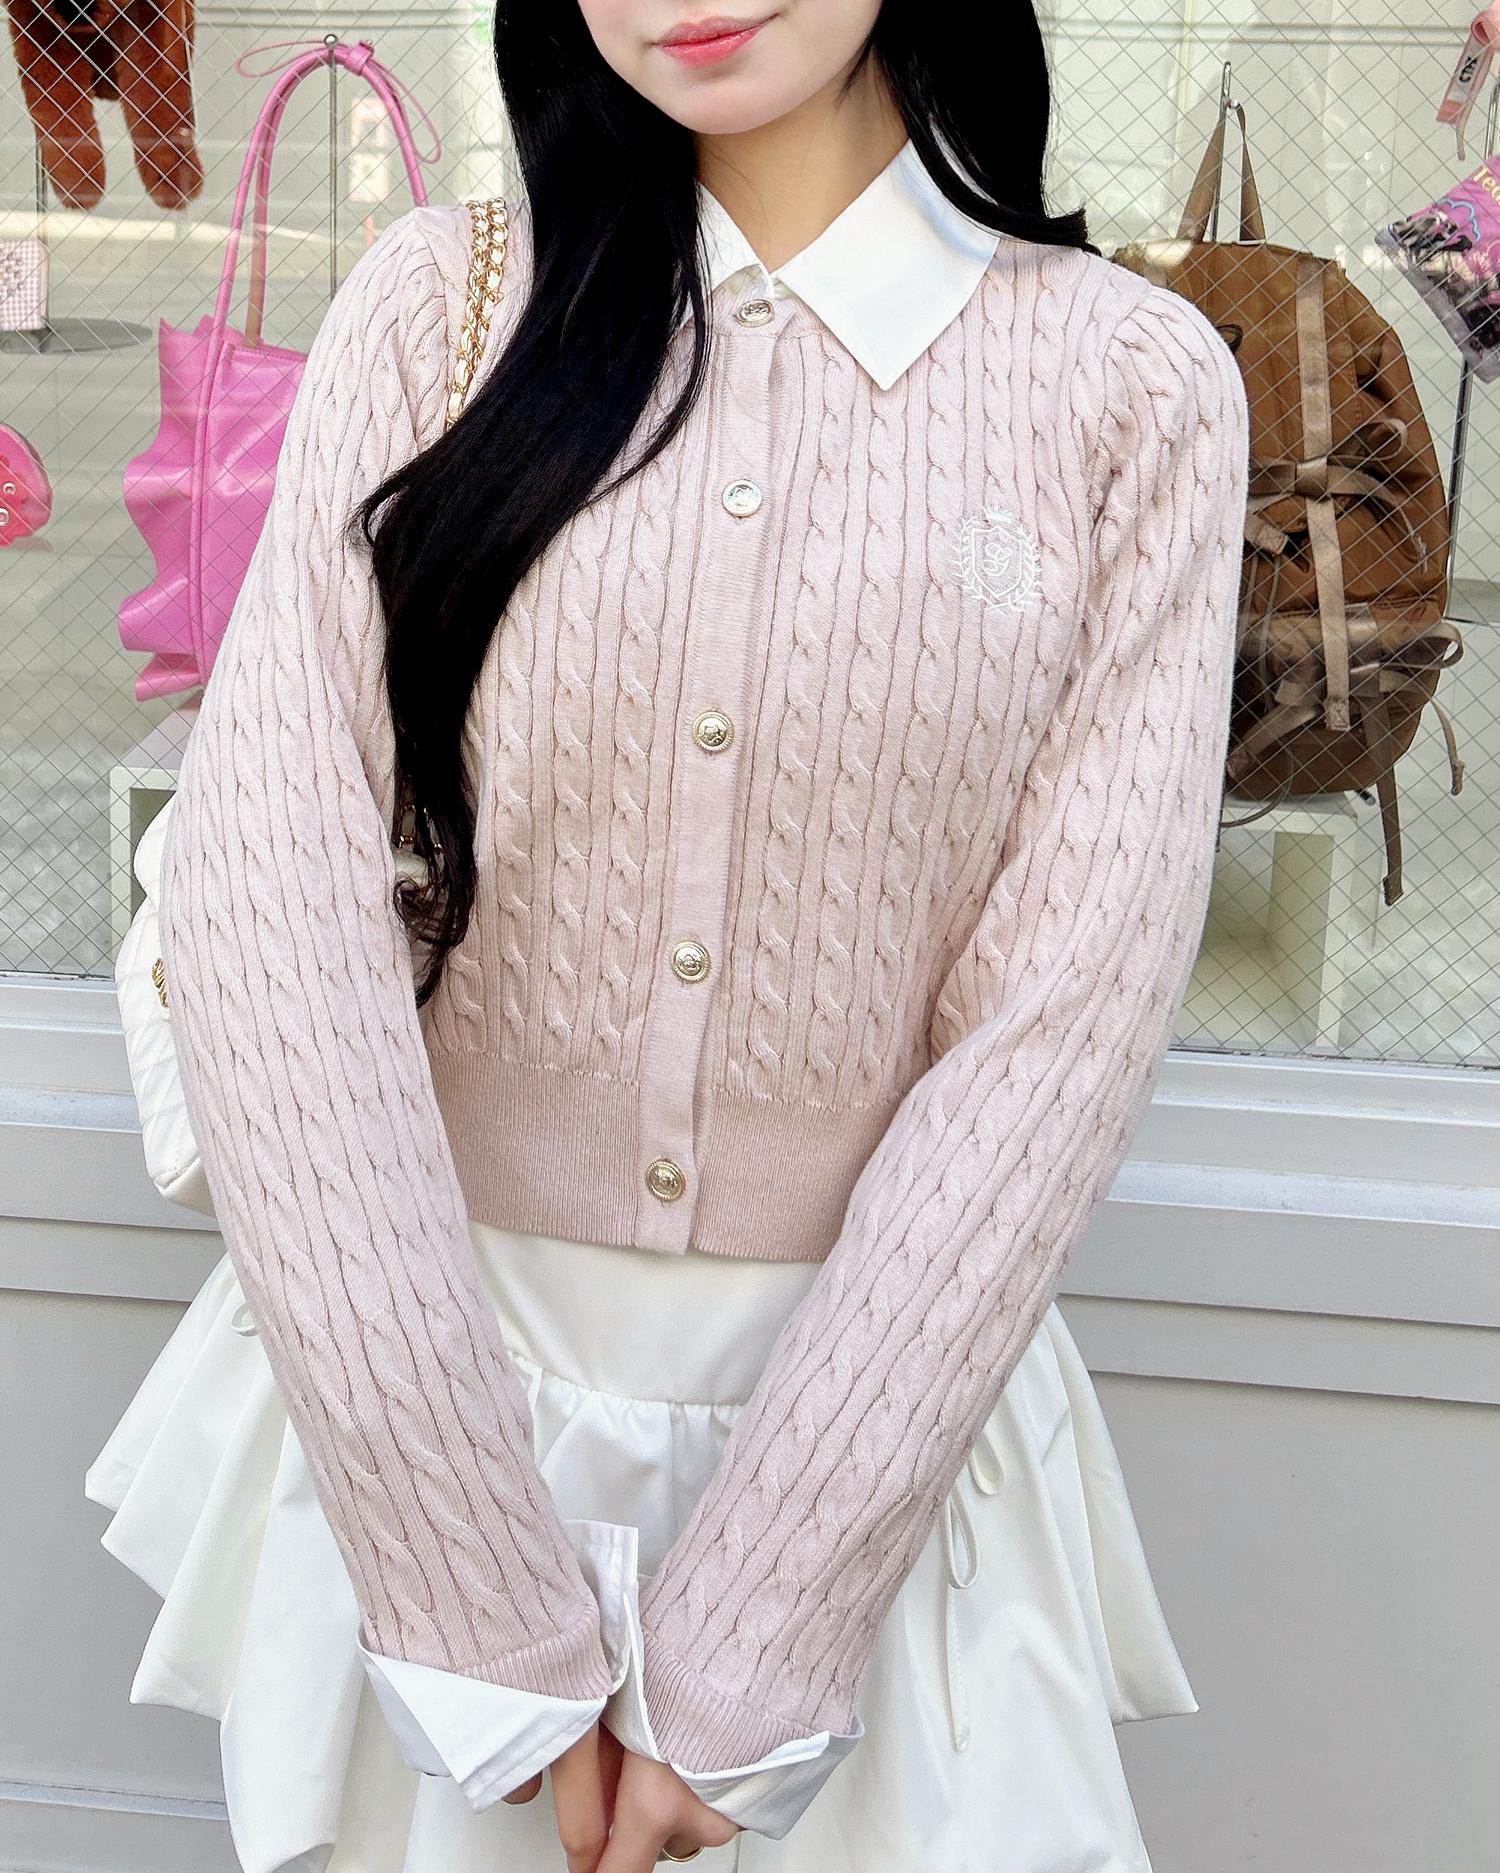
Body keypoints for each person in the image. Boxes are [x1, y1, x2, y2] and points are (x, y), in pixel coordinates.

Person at [84, 3, 1250, 1870]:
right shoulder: (444, 311)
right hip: (428, 1421)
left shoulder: (1128, 387)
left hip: (870, 1455)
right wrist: (468, 1590)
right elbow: (269, 905)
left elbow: (1061, 1023)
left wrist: (767, 1623)